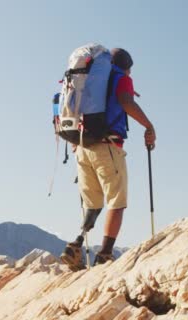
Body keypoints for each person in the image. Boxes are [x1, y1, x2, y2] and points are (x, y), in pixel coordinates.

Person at [60, 48, 156, 269]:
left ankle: (75, 245)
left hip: (83, 146)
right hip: (108, 146)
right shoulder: (121, 79)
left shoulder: (89, 79)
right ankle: (104, 254)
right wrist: (149, 126)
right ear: (127, 67)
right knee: (117, 201)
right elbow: (125, 101)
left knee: (92, 202)